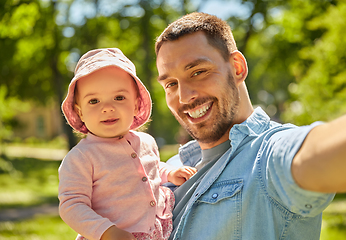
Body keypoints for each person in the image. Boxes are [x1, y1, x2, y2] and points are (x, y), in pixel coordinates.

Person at [155, 12, 346, 240]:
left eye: (197, 72)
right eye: (170, 84)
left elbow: (318, 152)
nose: (184, 96)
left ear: (237, 68)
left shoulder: (268, 155)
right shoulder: (167, 170)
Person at [58, 48, 197, 240]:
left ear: (136, 105)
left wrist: (169, 173)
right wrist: (107, 232)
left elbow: (152, 168)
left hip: (155, 230)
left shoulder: (146, 141)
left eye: (119, 97)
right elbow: (72, 205)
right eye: (94, 101)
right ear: (80, 112)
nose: (107, 107)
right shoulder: (81, 157)